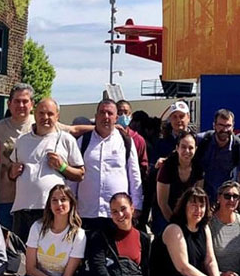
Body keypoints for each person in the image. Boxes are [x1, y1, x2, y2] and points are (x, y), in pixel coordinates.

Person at [10, 98, 84, 242]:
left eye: (50, 114)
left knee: (48, 255)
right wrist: (12, 173)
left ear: (57, 116)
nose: (45, 117)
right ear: (35, 114)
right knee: (21, 256)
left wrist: (62, 166)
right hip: (22, 209)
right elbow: (11, 174)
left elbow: (80, 174)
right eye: (41, 113)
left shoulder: (66, 140)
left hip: (50, 210)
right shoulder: (22, 140)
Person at [75, 99, 143, 229]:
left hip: (118, 215)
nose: (106, 117)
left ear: (116, 117)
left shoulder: (125, 141)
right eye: (102, 112)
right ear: (96, 116)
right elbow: (74, 176)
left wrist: (137, 205)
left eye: (110, 113)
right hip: (87, 213)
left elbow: (134, 174)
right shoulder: (83, 141)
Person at [0, 83, 34, 229]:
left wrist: (103, 129)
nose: (21, 105)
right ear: (9, 104)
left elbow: (73, 129)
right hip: (7, 199)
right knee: (5, 247)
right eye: (17, 101)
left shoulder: (42, 123)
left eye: (25, 101)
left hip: (35, 202)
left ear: (32, 104)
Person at [155, 131, 204, 235]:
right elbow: (162, 203)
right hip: (165, 214)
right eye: (183, 147)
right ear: (177, 148)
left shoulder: (199, 169)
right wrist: (176, 224)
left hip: (188, 215)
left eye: (191, 148)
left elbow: (198, 197)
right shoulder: (166, 168)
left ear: (196, 149)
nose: (187, 151)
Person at [196, 109, 240, 204]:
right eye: (221, 125)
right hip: (203, 200)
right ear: (214, 125)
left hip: (227, 200)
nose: (224, 129)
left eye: (228, 126)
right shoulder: (201, 140)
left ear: (233, 127)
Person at [117, 99, 149, 182]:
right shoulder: (106, 137)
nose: (123, 115)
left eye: (126, 112)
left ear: (130, 116)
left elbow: (143, 164)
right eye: (119, 112)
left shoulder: (138, 139)